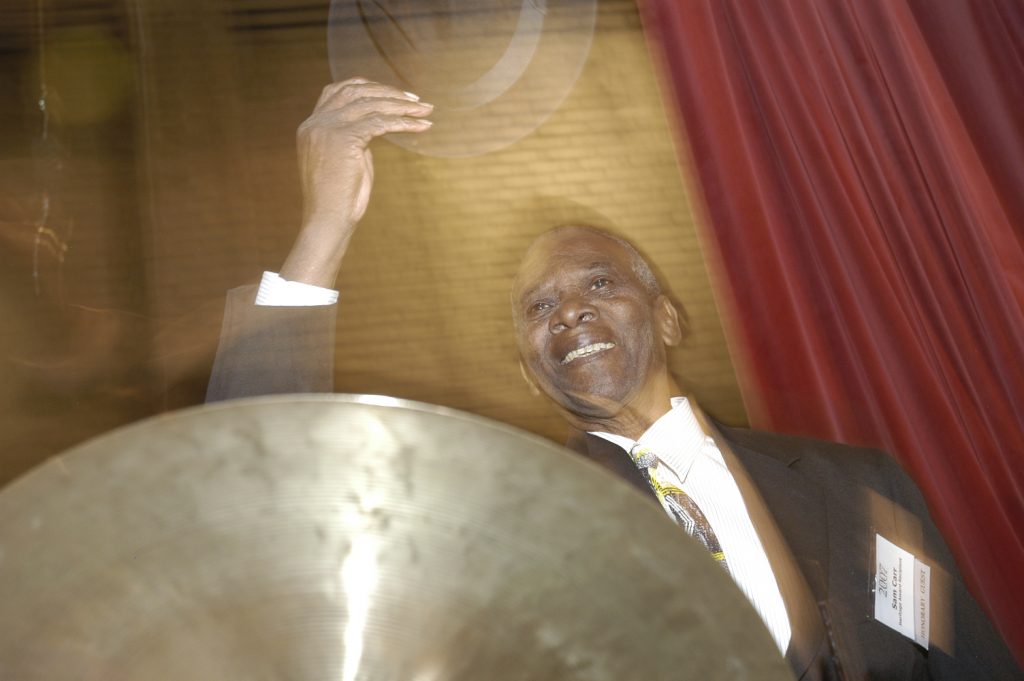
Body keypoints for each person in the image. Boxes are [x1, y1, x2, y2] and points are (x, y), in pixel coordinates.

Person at [206, 79, 1021, 680]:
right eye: (538, 307)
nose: (566, 312)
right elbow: (262, 493)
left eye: (598, 283)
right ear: (532, 371)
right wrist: (323, 227)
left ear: (666, 317)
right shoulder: (499, 521)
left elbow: (957, 660)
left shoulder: (860, 492)